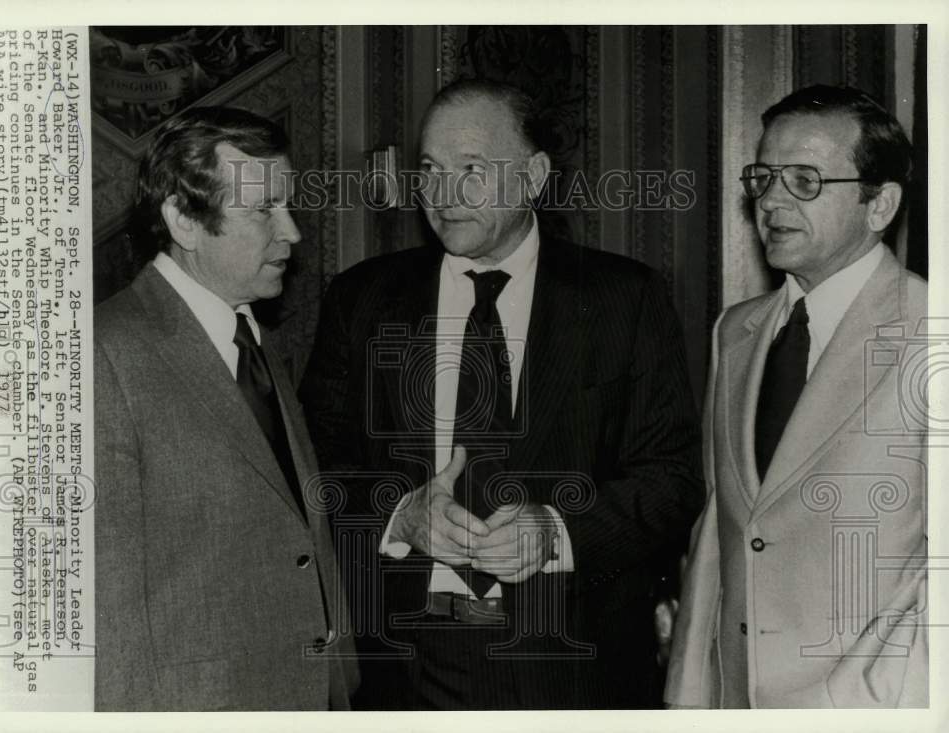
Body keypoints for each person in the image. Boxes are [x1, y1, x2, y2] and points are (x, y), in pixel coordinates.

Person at [299, 78, 703, 709]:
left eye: (472, 169)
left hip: (572, 666)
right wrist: (398, 515)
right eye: (430, 170)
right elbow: (312, 470)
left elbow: (672, 481)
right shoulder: (363, 300)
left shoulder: (624, 299)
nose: (443, 194)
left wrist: (555, 531)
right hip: (405, 663)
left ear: (534, 176)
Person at [665, 85, 928, 708]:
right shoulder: (737, 331)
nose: (772, 201)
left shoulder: (930, 330)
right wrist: (689, 692)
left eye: (805, 180)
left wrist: (893, 696)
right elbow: (720, 532)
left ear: (879, 204)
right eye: (764, 177)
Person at [94, 106, 357, 710]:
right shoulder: (102, 354)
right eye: (264, 210)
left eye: (286, 206)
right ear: (185, 221)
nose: (291, 231)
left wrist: (340, 682)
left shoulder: (252, 333)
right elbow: (108, 615)